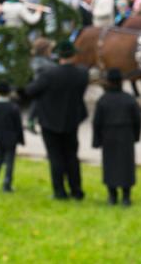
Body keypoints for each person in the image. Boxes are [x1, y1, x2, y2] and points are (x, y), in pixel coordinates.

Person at [25, 41, 89, 201]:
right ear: (74, 55)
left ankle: (59, 191)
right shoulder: (82, 73)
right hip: (72, 120)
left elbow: (30, 91)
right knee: (72, 156)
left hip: (49, 120)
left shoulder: (48, 74)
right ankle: (76, 190)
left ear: (59, 56)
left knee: (55, 157)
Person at [92, 68, 141, 207]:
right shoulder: (129, 99)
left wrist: (97, 140)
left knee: (110, 165)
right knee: (126, 166)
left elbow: (96, 122)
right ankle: (126, 197)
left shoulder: (103, 100)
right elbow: (138, 120)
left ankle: (112, 196)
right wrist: (136, 136)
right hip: (126, 135)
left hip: (109, 136)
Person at [0, 82, 24, 192]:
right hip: (11, 139)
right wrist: (21, 140)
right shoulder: (13, 108)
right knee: (10, 162)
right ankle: (7, 184)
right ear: (9, 93)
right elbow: (18, 126)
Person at [27, 38, 57, 134]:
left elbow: (53, 58)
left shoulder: (44, 58)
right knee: (37, 103)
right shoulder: (39, 62)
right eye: (50, 49)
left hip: (46, 86)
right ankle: (31, 122)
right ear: (44, 50)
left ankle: (32, 121)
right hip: (42, 86)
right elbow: (49, 67)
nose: (51, 51)